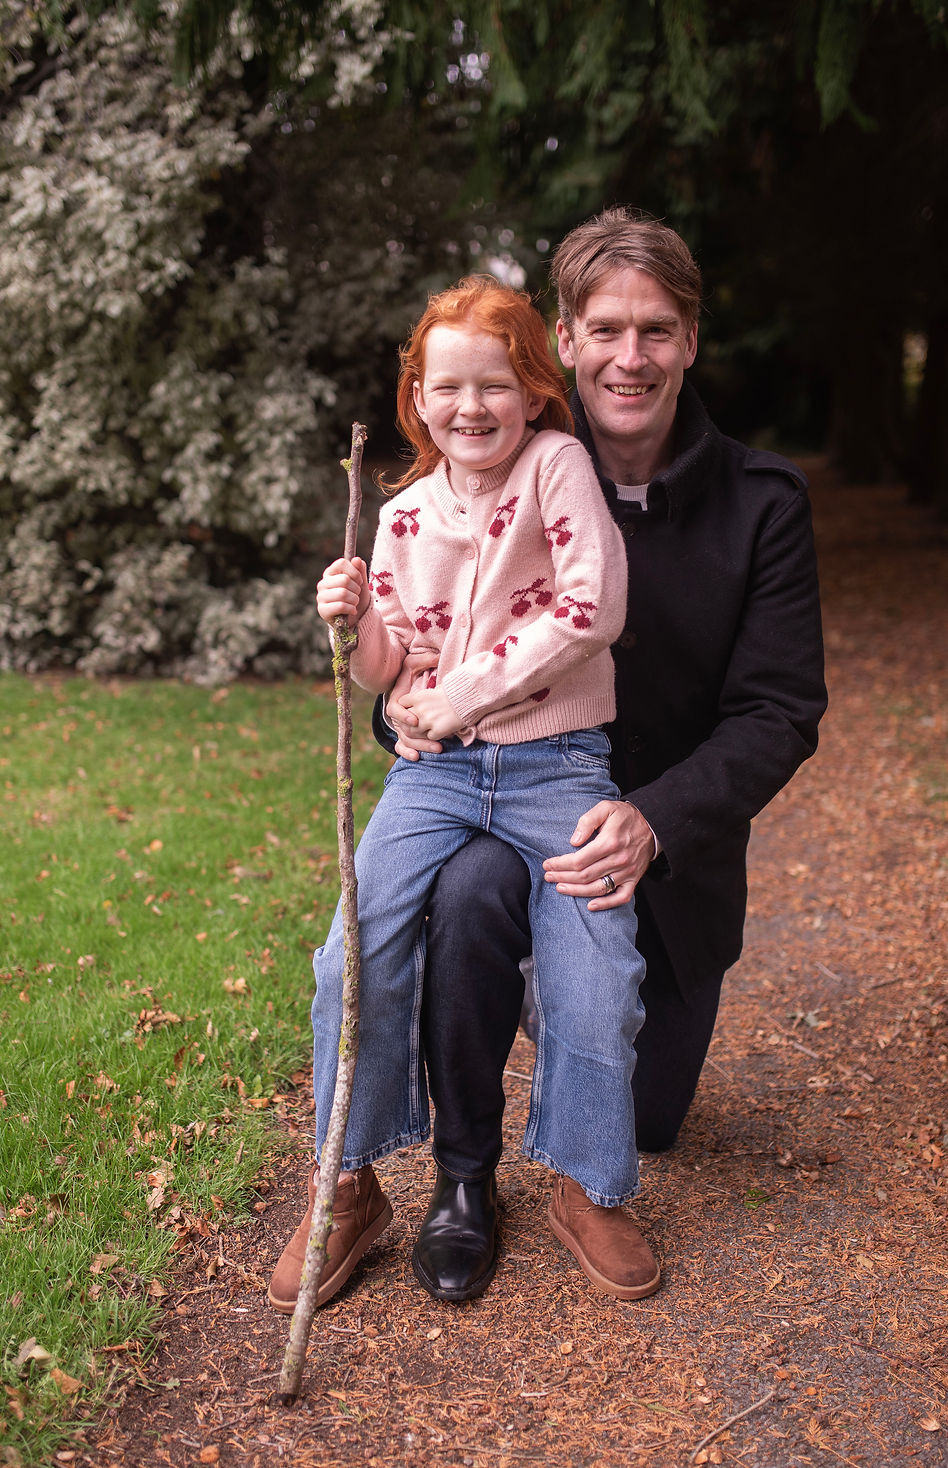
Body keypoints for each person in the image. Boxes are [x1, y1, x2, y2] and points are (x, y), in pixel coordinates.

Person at [381, 207, 828, 1303]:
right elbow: (416, 627)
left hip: (657, 851)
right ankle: (463, 1174)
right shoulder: (495, 458)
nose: (632, 356)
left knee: (653, 1117)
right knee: (473, 885)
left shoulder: (760, 504)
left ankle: (581, 1106)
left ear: (688, 341)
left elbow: (778, 710)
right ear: (564, 344)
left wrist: (655, 819)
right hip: (504, 797)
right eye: (606, 328)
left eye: (658, 330)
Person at [268, 275, 663, 1317]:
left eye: (494, 384)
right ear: (416, 396)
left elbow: (592, 606)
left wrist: (454, 695)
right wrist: (351, 626)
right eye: (447, 388)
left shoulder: (556, 466)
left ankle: (590, 1183)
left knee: (593, 968)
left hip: (555, 766)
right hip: (431, 776)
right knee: (349, 953)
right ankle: (348, 1183)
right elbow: (391, 670)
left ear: (534, 389)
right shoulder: (399, 515)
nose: (470, 407)